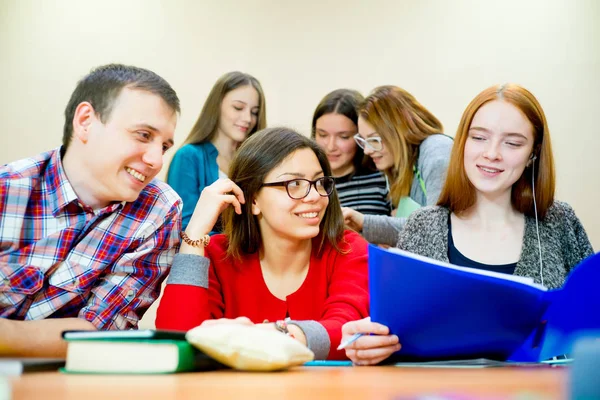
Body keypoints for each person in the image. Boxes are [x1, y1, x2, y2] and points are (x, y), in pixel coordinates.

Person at [341, 83, 594, 365]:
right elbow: (395, 334)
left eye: (512, 143)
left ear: (532, 153)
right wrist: (370, 344)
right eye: (479, 138)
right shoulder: (423, 226)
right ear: (462, 142)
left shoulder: (558, 221)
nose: (492, 153)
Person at [0, 64, 182, 357]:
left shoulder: (158, 210)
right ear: (85, 121)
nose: (156, 161)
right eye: (144, 135)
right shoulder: (8, 190)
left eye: (164, 146)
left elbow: (104, 334)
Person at [156, 127, 369, 360]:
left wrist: (270, 334)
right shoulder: (216, 255)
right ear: (254, 199)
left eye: (319, 182)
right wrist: (194, 233)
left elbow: (349, 330)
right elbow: (177, 341)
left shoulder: (348, 248)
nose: (315, 196)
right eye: (294, 183)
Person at [342, 85, 453, 245]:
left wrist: (364, 222)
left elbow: (436, 230)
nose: (366, 150)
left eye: (374, 140)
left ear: (400, 131)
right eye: (364, 141)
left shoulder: (436, 151)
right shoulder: (401, 166)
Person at [167, 71, 267, 231]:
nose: (248, 118)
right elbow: (184, 227)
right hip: (206, 254)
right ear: (217, 106)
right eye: (238, 107)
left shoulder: (256, 161)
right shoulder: (188, 157)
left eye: (254, 112)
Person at [311, 89, 391, 215]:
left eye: (343, 137)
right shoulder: (307, 183)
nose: (331, 147)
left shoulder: (383, 177)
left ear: (362, 137)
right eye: (322, 135)